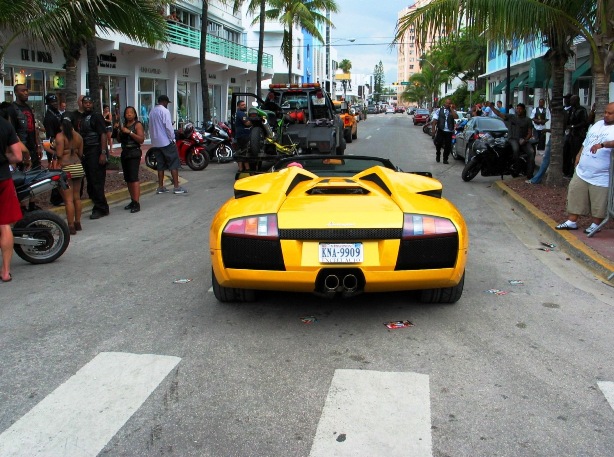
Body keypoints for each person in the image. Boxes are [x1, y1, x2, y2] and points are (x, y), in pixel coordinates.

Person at [555, 102, 614, 235]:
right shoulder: (597, 124)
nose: (606, 115)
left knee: (598, 200)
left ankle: (596, 224)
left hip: (601, 174)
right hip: (583, 170)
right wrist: (579, 153)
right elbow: (587, 141)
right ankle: (572, 221)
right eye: (605, 112)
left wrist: (603, 145)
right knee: (575, 193)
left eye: (610, 113)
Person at [73, 95, 110, 219]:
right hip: (86, 153)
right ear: (81, 104)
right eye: (85, 102)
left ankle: (101, 207)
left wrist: (103, 153)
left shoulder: (97, 117)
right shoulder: (81, 118)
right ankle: (99, 205)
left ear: (92, 104)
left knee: (96, 181)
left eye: (89, 102)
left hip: (96, 151)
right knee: (91, 181)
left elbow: (103, 134)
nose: (87, 104)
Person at [0, 115, 23, 283]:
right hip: (3, 178)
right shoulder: (5, 124)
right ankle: (6, 271)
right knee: (4, 223)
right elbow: (18, 156)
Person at [149, 95, 187, 194]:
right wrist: (172, 138)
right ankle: (176, 187)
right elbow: (168, 127)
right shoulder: (165, 111)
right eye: (167, 103)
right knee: (173, 163)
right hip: (166, 141)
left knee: (160, 165)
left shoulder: (152, 111)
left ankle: (161, 187)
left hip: (156, 143)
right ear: (165, 102)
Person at [488, 101, 535, 179]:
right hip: (512, 139)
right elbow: (499, 114)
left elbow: (530, 133)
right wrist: (491, 107)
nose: (518, 110)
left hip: (523, 139)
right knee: (516, 150)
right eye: (517, 109)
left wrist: (525, 140)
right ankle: (516, 169)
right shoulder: (511, 117)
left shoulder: (528, 120)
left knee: (531, 152)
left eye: (520, 109)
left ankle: (530, 174)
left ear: (523, 110)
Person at [54, 117, 84, 234]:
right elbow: (81, 153)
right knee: (77, 197)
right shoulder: (79, 136)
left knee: (68, 200)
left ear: (61, 126)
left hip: (66, 168)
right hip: (78, 166)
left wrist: (52, 149)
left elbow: (60, 154)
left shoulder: (60, 136)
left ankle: (70, 226)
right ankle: (78, 222)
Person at [7, 84, 41, 171]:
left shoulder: (28, 107)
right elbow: (12, 133)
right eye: (23, 91)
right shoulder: (12, 109)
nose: (26, 93)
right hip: (22, 148)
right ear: (16, 93)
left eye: (26, 90)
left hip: (32, 148)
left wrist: (38, 146)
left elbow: (34, 128)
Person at [117, 106, 145, 212]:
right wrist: (119, 130)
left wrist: (130, 132)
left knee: (133, 178)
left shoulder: (137, 125)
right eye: (127, 113)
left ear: (134, 114)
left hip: (134, 152)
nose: (129, 114)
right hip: (125, 152)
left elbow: (141, 139)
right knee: (128, 178)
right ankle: (132, 200)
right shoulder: (124, 125)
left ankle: (137, 202)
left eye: (131, 113)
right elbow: (119, 139)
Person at [43, 94, 64, 206]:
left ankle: (59, 196)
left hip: (59, 145)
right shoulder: (49, 117)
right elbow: (49, 138)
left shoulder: (56, 114)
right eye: (52, 102)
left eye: (56, 101)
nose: (55, 103)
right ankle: (56, 198)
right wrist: (54, 152)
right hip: (54, 147)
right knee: (56, 173)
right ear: (48, 104)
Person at [563, 95, 589, 177]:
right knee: (567, 152)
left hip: (578, 135)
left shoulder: (582, 110)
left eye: (572, 100)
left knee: (576, 153)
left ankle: (575, 172)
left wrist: (573, 126)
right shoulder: (571, 110)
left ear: (576, 101)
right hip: (571, 134)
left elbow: (584, 122)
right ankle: (567, 171)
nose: (570, 102)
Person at [430, 98, 459, 164]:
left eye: (450, 103)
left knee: (448, 146)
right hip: (441, 129)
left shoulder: (453, 111)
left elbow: (456, 117)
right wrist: (433, 130)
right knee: (438, 144)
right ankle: (438, 154)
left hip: (449, 131)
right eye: (447, 103)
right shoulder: (439, 110)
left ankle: (445, 159)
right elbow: (434, 121)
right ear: (444, 103)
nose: (448, 105)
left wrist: (451, 109)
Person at [235, 99, 251, 172]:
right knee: (244, 151)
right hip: (242, 135)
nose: (244, 106)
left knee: (241, 151)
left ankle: (241, 169)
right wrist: (255, 122)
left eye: (244, 105)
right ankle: (245, 169)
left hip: (241, 135)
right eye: (242, 105)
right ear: (238, 106)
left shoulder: (242, 113)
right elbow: (247, 123)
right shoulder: (240, 113)